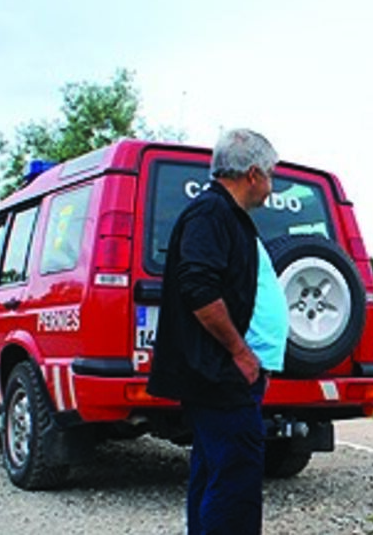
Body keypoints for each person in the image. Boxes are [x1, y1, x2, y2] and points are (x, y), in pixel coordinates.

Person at [147, 128, 290, 535]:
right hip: (220, 373)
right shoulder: (211, 214)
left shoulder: (227, 216)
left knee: (214, 470)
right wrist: (241, 352)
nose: (271, 184)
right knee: (235, 479)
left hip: (219, 372)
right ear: (251, 174)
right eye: (270, 174)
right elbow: (198, 287)